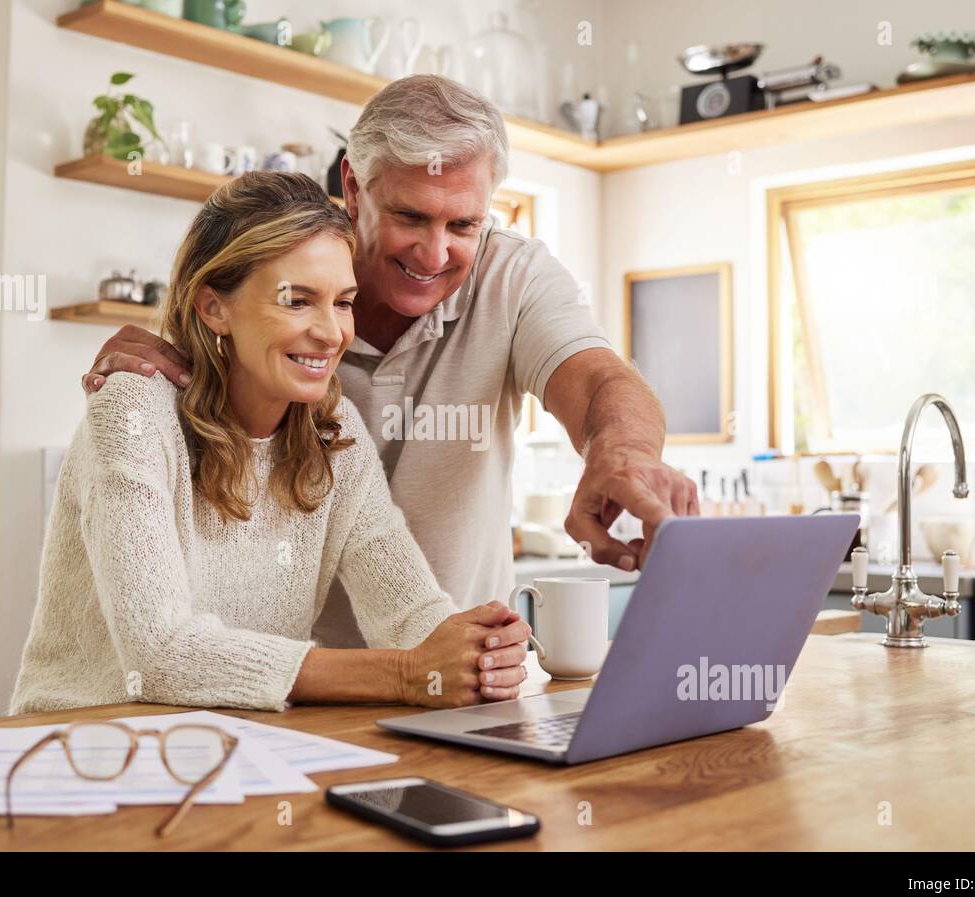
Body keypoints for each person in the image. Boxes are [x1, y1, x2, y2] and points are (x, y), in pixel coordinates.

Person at [82, 75, 699, 651]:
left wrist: (622, 453)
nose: (435, 253)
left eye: (464, 223)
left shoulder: (513, 278)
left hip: (440, 668)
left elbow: (598, 383)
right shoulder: (277, 285)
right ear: (353, 187)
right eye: (410, 216)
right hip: (278, 682)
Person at [10, 171, 530, 715]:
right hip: (83, 753)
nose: (331, 333)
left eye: (343, 302)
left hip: (240, 750)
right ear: (214, 308)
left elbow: (409, 616)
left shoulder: (335, 434)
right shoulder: (134, 411)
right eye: (298, 301)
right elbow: (161, 655)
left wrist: (477, 649)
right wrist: (405, 673)